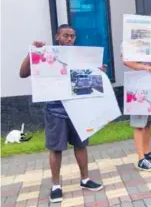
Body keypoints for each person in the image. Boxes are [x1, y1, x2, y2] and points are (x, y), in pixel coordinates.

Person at [19, 24, 105, 203]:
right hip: (55, 110)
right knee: (56, 148)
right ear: (57, 37)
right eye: (66, 36)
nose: (69, 39)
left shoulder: (80, 57)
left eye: (72, 36)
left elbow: (87, 79)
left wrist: (99, 73)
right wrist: (32, 52)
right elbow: (23, 73)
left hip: (78, 108)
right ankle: (56, 185)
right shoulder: (46, 55)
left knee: (81, 145)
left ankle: (85, 179)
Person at [122, 13, 151, 171]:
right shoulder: (129, 41)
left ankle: (147, 152)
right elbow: (126, 61)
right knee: (139, 124)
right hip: (137, 87)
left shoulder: (150, 41)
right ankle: (140, 158)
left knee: (148, 122)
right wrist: (146, 68)